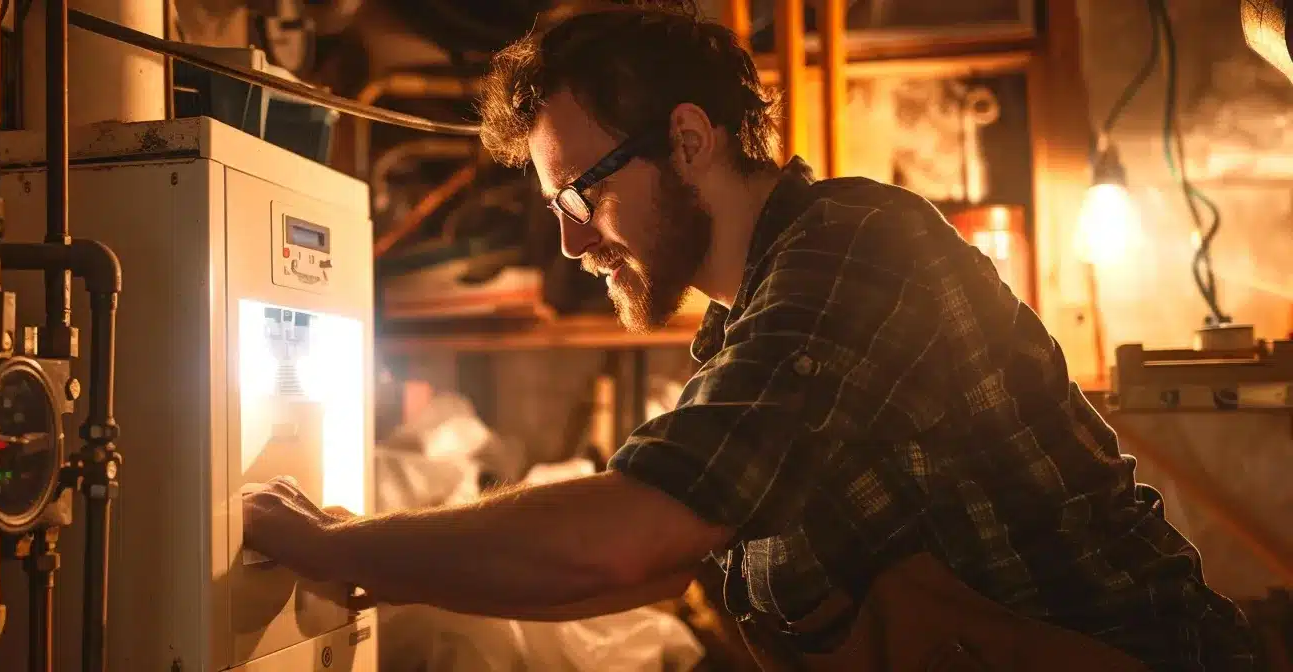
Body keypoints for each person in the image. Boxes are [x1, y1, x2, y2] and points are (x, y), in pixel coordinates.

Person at [242, 6, 1258, 670]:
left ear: (689, 139)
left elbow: (630, 538)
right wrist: (365, 552)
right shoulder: (748, 327)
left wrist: (340, 550)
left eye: (582, 192)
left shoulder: (859, 252)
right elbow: (644, 568)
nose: (567, 242)